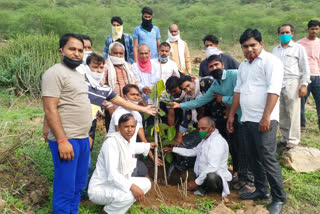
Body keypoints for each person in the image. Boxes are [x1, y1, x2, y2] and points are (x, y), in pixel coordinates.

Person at [41, 33, 155, 213]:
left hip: (82, 138)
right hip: (66, 138)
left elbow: (115, 99)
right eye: (72, 49)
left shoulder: (79, 76)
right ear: (61, 51)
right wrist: (62, 140)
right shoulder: (54, 73)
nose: (77, 53)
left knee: (78, 184)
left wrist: (142, 109)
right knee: (66, 186)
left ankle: (73, 211)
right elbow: (50, 109)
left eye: (80, 50)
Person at [170, 54, 255, 194]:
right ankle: (239, 177)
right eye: (211, 66)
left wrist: (224, 98)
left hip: (245, 117)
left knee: (244, 149)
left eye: (216, 65)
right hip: (232, 119)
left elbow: (245, 94)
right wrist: (179, 106)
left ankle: (249, 182)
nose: (214, 68)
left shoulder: (235, 75)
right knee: (234, 148)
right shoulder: (215, 84)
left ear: (223, 65)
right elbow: (200, 101)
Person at [227, 29, 286, 214]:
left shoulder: (271, 62)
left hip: (265, 120)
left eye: (253, 45)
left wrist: (266, 116)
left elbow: (274, 90)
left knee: (267, 157)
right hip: (246, 119)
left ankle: (279, 198)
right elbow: (238, 91)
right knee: (253, 157)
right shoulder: (244, 66)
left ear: (261, 44)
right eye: (245, 46)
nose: (249, 49)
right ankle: (262, 190)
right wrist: (231, 115)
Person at [88, 113, 156, 214]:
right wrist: (132, 187)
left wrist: (148, 145)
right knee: (129, 194)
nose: (130, 130)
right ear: (119, 127)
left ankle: (115, 206)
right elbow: (112, 175)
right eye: (126, 126)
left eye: (132, 126)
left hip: (116, 184)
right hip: (101, 188)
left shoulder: (126, 140)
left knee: (146, 183)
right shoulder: (111, 142)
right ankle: (107, 212)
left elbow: (133, 147)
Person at [163, 117, 232, 197]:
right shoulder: (206, 140)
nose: (200, 131)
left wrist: (196, 183)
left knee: (211, 176)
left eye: (203, 128)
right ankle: (202, 187)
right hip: (204, 175)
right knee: (206, 176)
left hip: (219, 180)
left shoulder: (217, 142)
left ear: (212, 128)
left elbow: (213, 167)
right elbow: (194, 151)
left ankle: (209, 192)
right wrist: (173, 149)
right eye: (199, 129)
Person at [272, 24, 310, 149]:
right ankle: (284, 137)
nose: (284, 35)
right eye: (282, 33)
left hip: (293, 81)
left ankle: (293, 139)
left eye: (287, 32)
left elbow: (305, 67)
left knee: (293, 112)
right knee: (281, 111)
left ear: (292, 33)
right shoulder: (275, 50)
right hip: (278, 82)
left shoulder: (298, 48)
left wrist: (304, 84)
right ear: (279, 34)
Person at [108, 84, 163, 169]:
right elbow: (120, 139)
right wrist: (144, 147)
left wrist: (152, 156)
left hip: (129, 148)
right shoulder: (119, 113)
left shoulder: (137, 114)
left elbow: (142, 138)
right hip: (116, 149)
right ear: (124, 96)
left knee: (140, 170)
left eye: (137, 95)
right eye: (132, 94)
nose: (136, 97)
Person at [298, 20, 320, 131]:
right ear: (308, 30)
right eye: (312, 29)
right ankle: (301, 125)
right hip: (304, 76)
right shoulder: (299, 43)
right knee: (301, 102)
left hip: (318, 76)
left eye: (316, 29)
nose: (314, 31)